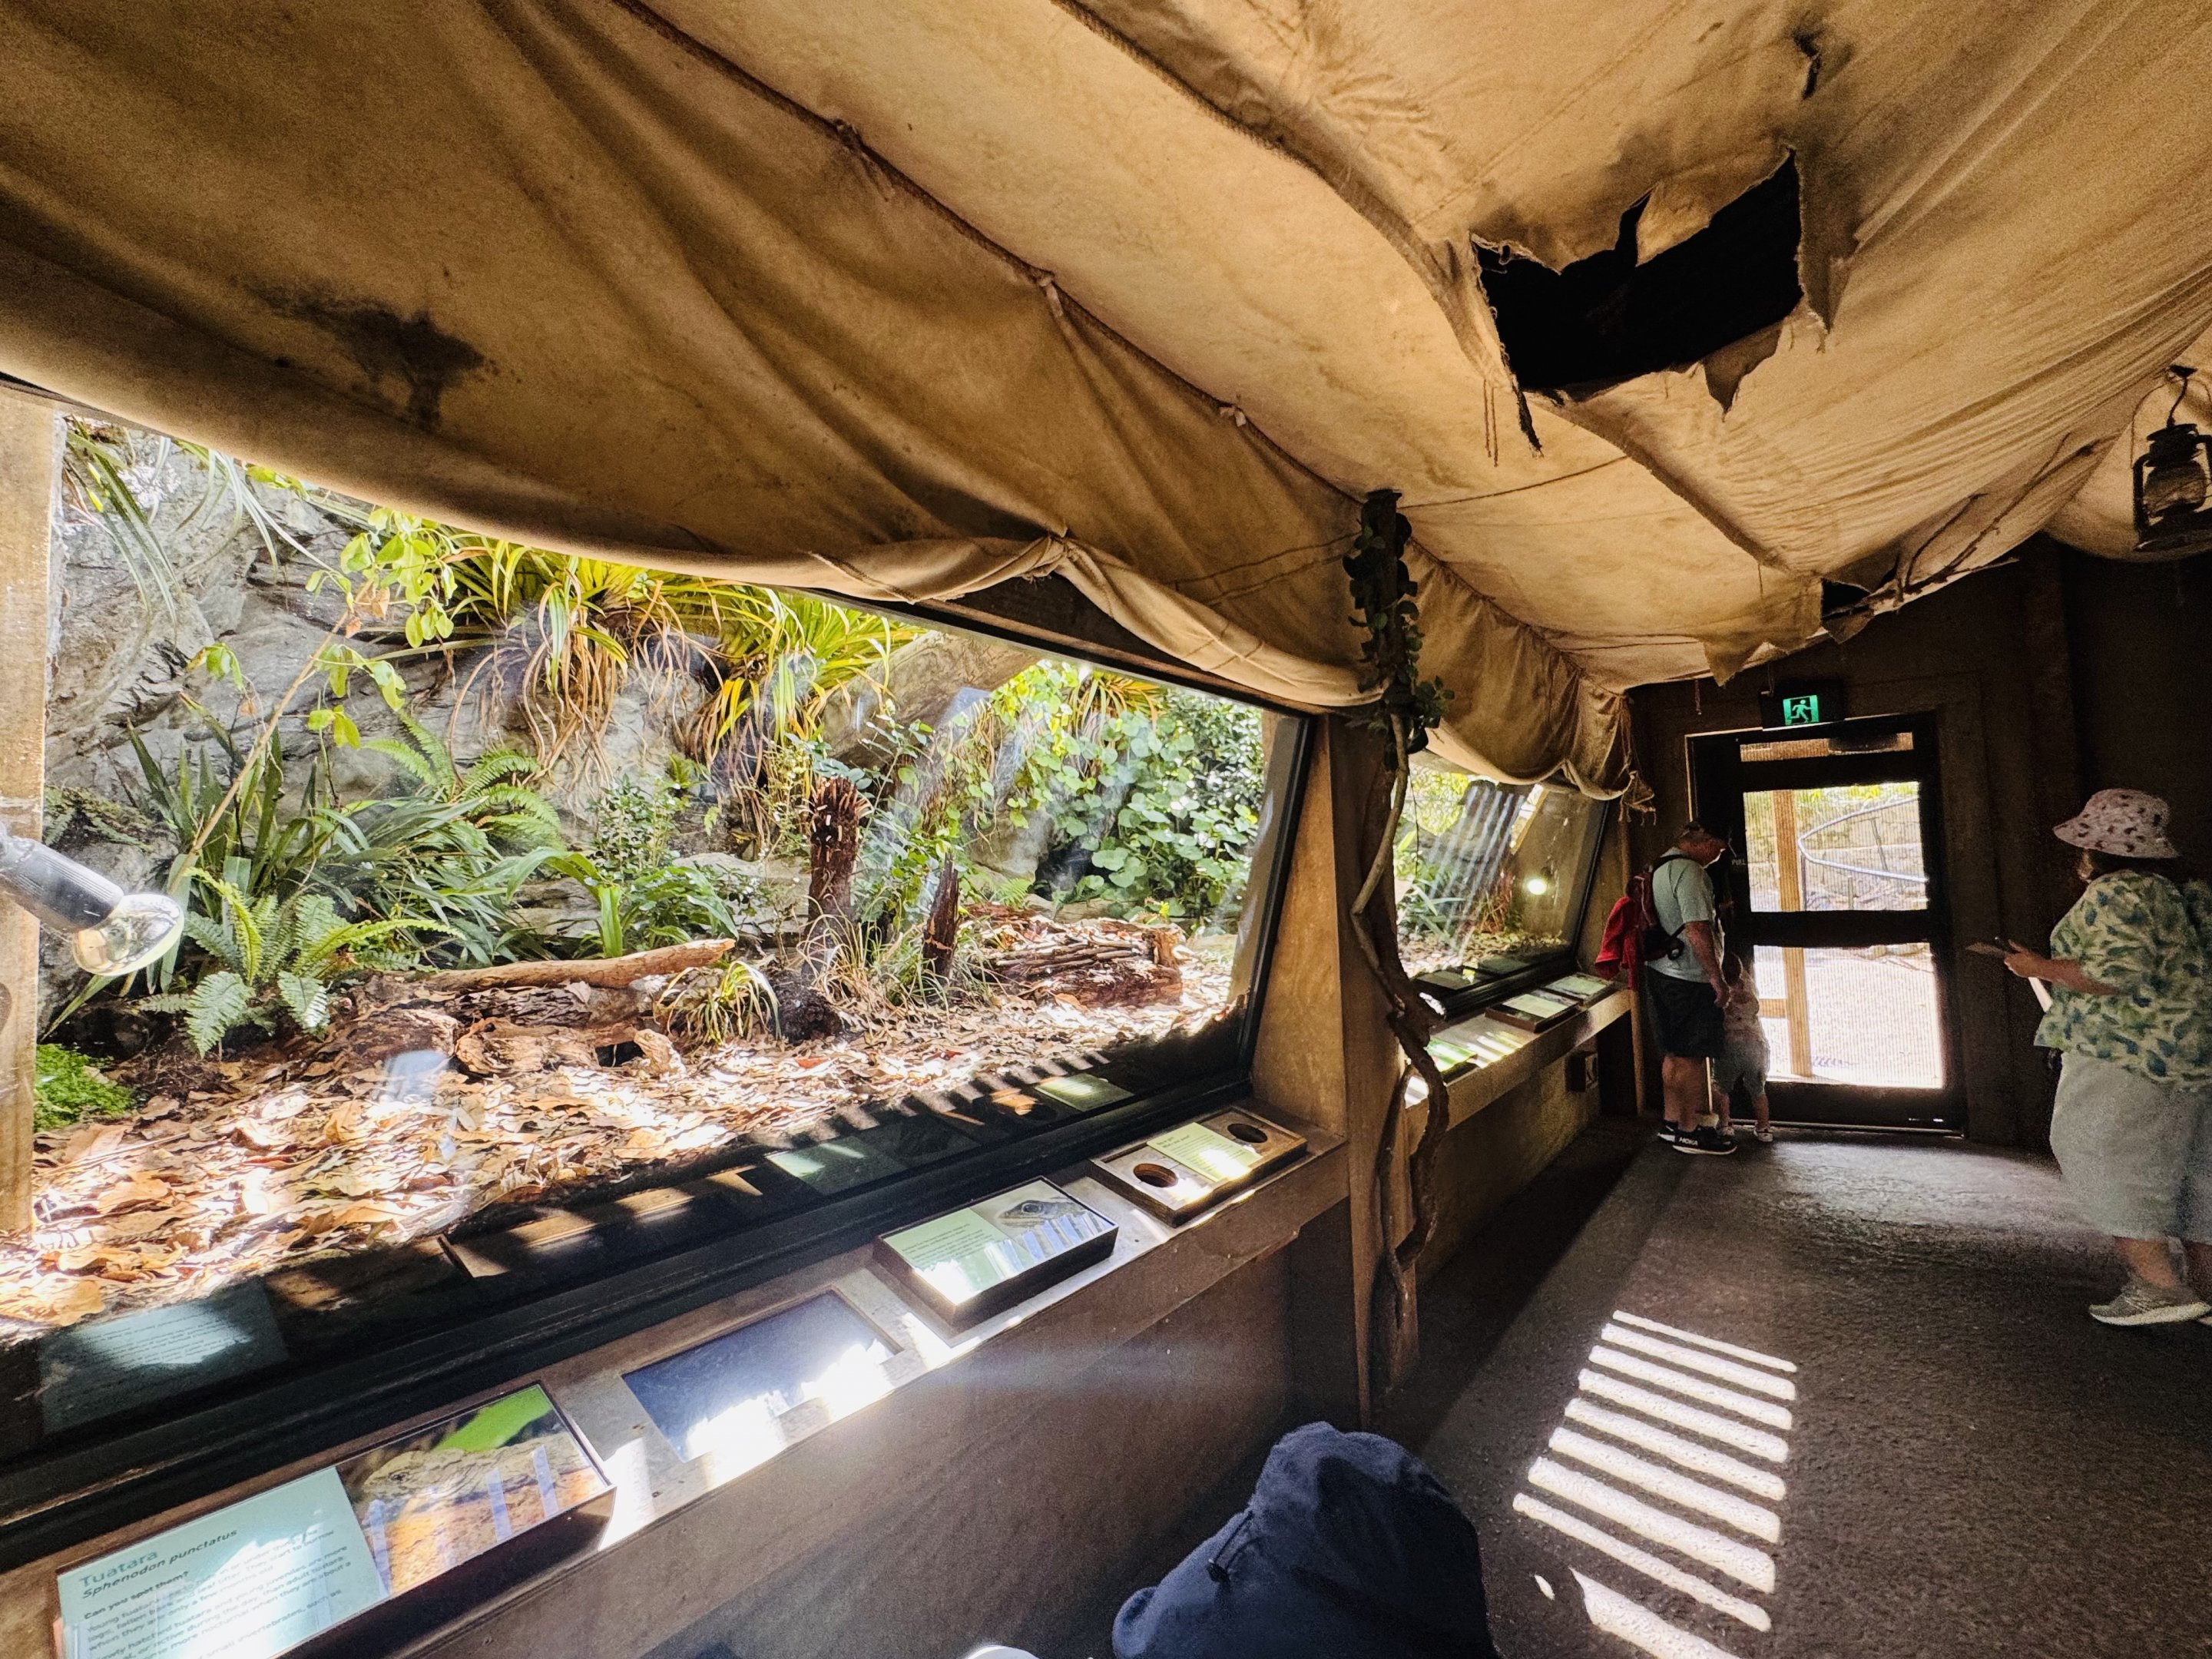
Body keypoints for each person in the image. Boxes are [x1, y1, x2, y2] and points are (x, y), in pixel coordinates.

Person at [2003, 789, 2212, 1326]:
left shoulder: (2118, 891)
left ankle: (2157, 1286)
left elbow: (2115, 974)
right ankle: (2207, 1288)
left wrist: (2037, 968)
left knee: (2100, 1148)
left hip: (2124, 1048)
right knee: (2194, 1167)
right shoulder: (2188, 893)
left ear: (2095, 850)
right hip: (2192, 1050)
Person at [1643, 822, 1737, 1155]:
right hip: (1689, 976)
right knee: (1693, 1057)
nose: (1719, 855)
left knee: (1673, 1052)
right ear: (1705, 841)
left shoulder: (1659, 867)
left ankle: (1672, 1122)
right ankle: (1690, 1131)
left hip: (1662, 971)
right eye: (1720, 848)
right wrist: (1717, 977)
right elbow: (1698, 928)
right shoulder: (1691, 873)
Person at [1714, 951, 1773, 1144]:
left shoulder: (1721, 992)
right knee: (1758, 1090)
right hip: (1756, 1044)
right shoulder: (1749, 985)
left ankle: (1725, 1124)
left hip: (1730, 1045)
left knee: (1721, 1086)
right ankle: (1764, 1127)